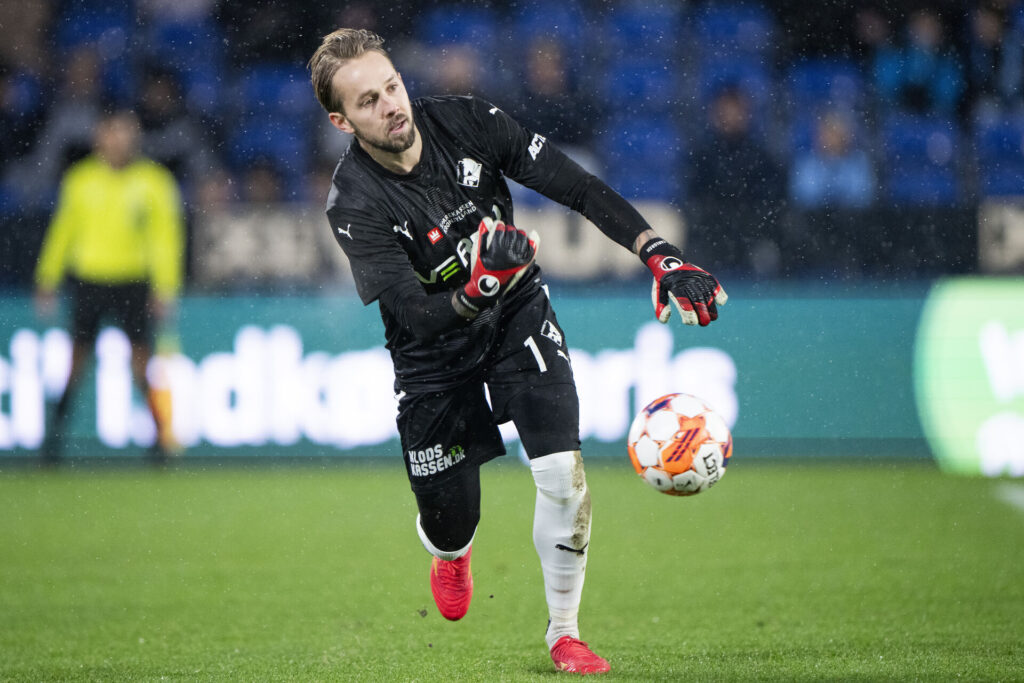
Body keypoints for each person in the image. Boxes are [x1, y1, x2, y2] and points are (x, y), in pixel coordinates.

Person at [308, 29, 726, 675]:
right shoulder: (354, 202)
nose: (391, 104)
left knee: (562, 474)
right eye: (367, 101)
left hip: (516, 313)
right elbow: (416, 316)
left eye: (392, 85)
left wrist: (658, 253)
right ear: (341, 120)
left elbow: (579, 188)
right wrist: (475, 286)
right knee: (451, 520)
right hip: (431, 356)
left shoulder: (470, 122)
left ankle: (565, 632)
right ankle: (451, 554)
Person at [34, 109, 185, 464]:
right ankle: (51, 446)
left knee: (142, 367)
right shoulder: (81, 180)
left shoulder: (153, 181)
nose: (120, 140)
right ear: (99, 137)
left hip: (133, 283)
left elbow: (166, 238)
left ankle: (159, 445)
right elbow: (63, 231)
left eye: (126, 133)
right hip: (90, 281)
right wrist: (47, 278)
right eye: (113, 132)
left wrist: (165, 287)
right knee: (75, 364)